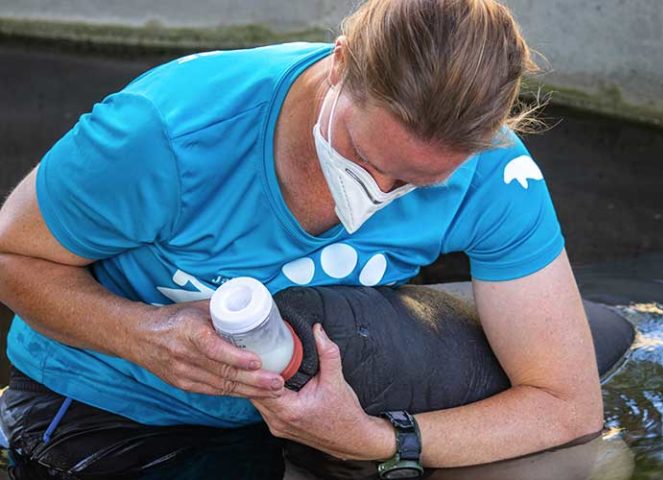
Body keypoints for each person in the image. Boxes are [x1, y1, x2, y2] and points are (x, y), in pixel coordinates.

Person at [0, 0, 603, 473]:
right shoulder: (164, 134)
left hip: (324, 394)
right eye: (365, 155)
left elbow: (566, 405)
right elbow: (10, 254)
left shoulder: (494, 170)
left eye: (420, 182)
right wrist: (145, 335)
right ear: (340, 66)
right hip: (116, 404)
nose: (378, 192)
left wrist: (381, 439)